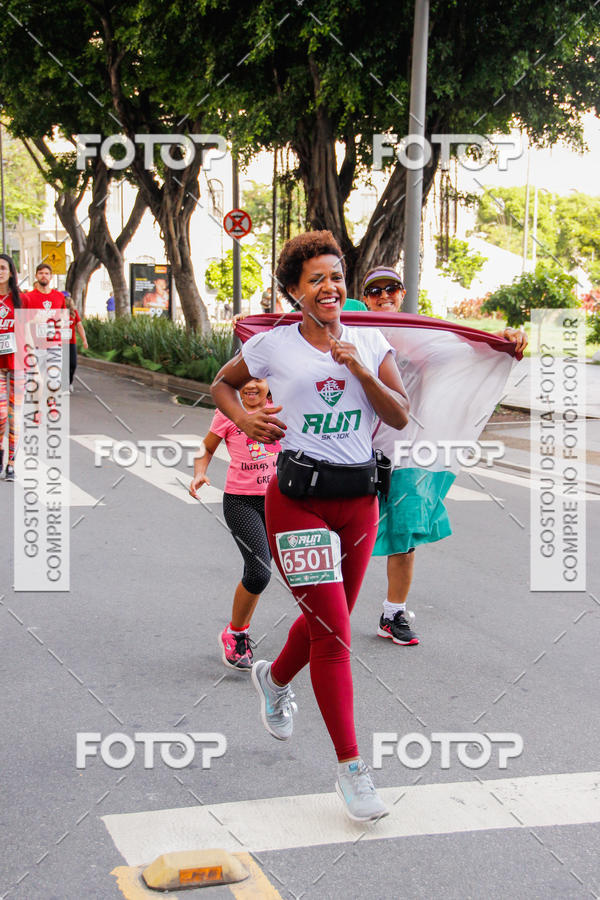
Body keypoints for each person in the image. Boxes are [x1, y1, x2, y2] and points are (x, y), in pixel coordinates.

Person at [212, 231, 409, 823]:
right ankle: (352, 769)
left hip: (359, 502)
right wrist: (247, 416)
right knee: (335, 635)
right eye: (316, 279)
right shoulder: (274, 345)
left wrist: (363, 371)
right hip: (296, 499)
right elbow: (222, 383)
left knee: (334, 619)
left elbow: (399, 414)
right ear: (295, 291)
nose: (331, 287)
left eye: (336, 275)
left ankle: (274, 679)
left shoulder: (370, 341)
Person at [361, 265, 528, 647]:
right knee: (338, 535)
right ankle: (326, 609)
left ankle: (393, 613)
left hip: (408, 453)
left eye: (392, 288)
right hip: (355, 451)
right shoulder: (354, 330)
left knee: (404, 538)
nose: (384, 295)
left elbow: (468, 350)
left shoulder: (425, 336)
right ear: (365, 297)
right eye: (375, 291)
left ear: (402, 294)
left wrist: (501, 339)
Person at [189, 379, 279, 671]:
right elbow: (206, 448)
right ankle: (235, 633)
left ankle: (243, 630)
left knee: (262, 572)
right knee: (259, 571)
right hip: (242, 503)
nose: (251, 385)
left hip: (280, 502)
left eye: (258, 379)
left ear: (269, 384)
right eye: (244, 381)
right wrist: (199, 473)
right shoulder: (229, 412)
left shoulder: (281, 409)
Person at [0, 254, 27, 481]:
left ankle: (11, 463)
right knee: (0, 414)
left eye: (2, 268)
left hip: (17, 364)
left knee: (13, 415)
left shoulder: (21, 300)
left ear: (11, 272)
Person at [64, 293, 88, 390]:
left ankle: (69, 382)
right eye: (64, 298)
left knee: (73, 364)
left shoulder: (73, 312)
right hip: (58, 342)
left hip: (71, 342)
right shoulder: (55, 312)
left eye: (67, 298)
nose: (66, 300)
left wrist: (84, 340)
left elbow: (79, 326)